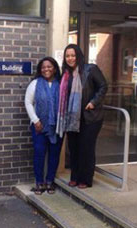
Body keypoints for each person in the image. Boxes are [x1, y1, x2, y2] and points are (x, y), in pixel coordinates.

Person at [56, 44, 108, 189]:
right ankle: (75, 177)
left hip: (90, 118)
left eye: (73, 55)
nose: (70, 58)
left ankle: (85, 179)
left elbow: (103, 86)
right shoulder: (65, 74)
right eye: (67, 56)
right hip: (71, 118)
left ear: (79, 56)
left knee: (86, 148)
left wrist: (93, 102)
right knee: (73, 149)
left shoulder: (90, 69)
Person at [25, 57, 63, 195]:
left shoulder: (60, 84)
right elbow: (28, 103)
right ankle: (39, 182)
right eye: (43, 67)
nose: (46, 69)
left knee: (54, 154)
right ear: (40, 70)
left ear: (54, 68)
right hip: (38, 127)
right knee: (39, 154)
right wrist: (35, 120)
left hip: (56, 126)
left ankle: (50, 181)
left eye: (49, 66)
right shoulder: (35, 84)